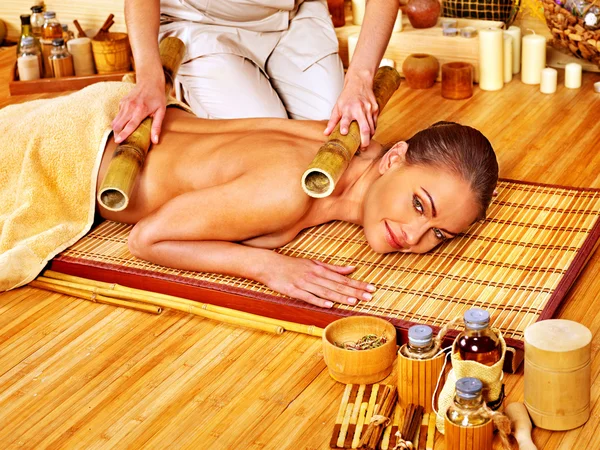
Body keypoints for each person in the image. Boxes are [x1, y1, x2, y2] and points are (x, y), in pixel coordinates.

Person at [100, 106, 499, 309]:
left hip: (136, 124)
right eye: (418, 204)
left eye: (440, 234)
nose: (413, 236)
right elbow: (146, 239)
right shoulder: (289, 191)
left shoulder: (357, 144)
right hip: (79, 156)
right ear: (394, 159)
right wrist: (265, 265)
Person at [111, 0, 400, 149]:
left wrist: (360, 80)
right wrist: (149, 77)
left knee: (331, 133)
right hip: (203, 23)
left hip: (295, 15)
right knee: (270, 147)